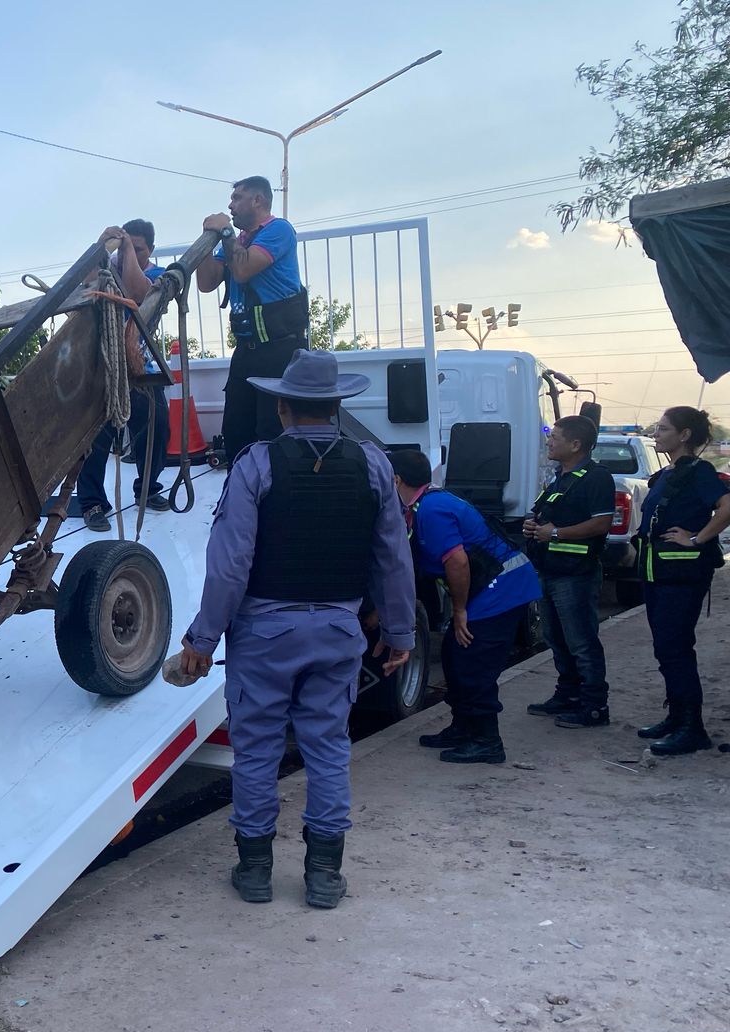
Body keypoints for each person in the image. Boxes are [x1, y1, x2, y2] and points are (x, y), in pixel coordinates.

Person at [178, 349, 414, 910]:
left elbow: (231, 564)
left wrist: (201, 639)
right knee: (328, 750)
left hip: (264, 633)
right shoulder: (374, 465)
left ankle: (256, 870)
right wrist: (401, 632)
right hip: (337, 629)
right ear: (336, 406)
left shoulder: (256, 465)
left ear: (282, 407)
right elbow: (393, 558)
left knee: (257, 752)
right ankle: (325, 876)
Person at [389, 450, 542, 765]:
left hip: (501, 588)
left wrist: (459, 611)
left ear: (396, 479)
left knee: (473, 662)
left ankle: (487, 741)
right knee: (453, 655)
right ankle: (463, 728)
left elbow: (457, 562)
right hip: (492, 586)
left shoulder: (431, 510)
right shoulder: (425, 504)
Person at [632, 406, 730, 755]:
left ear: (684, 435)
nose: (656, 434)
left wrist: (697, 538)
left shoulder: (699, 471)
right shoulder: (669, 473)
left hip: (682, 574)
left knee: (675, 649)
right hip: (658, 572)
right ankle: (676, 716)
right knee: (665, 648)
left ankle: (692, 728)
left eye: (663, 429)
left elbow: (727, 505)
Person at [194, 176, 309, 465]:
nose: (230, 205)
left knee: (273, 433)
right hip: (246, 352)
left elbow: (243, 269)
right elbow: (207, 283)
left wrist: (225, 232)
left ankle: (276, 501)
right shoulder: (237, 242)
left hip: (280, 351)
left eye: (237, 198)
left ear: (258, 200)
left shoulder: (279, 230)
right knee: (236, 431)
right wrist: (207, 243)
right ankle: (240, 496)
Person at [522, 415, 616, 728]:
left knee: (581, 640)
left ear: (576, 445)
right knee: (556, 638)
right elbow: (549, 517)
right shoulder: (560, 478)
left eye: (555, 437)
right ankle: (568, 694)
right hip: (550, 570)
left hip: (576, 574)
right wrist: (533, 527)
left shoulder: (596, 477)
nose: (548, 441)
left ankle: (593, 706)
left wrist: (557, 534)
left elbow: (601, 523)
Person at [77, 220, 171, 532]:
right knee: (95, 436)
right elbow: (83, 283)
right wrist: (100, 247)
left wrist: (128, 249)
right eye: (129, 247)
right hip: (102, 367)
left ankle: (148, 488)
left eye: (140, 248)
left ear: (151, 251)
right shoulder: (106, 271)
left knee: (156, 427)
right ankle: (92, 503)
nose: (130, 253)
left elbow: (137, 291)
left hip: (140, 365)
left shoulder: (157, 275)